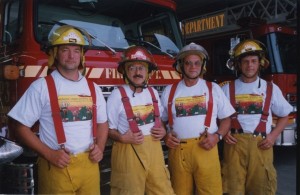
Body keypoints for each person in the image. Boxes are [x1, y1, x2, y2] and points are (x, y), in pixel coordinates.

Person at [8, 25, 108, 194]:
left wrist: (101, 147)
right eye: (65, 50)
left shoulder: (94, 88)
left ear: (82, 55)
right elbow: (20, 127)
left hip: (89, 165)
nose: (71, 56)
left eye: (76, 50)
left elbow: (102, 123)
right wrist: (49, 154)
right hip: (56, 166)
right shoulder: (41, 87)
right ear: (55, 54)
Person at [160, 42, 235, 195]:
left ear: (202, 66)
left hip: (206, 147)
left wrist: (218, 136)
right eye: (188, 63)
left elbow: (226, 119)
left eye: (197, 63)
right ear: (181, 65)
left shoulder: (213, 88)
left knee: (210, 191)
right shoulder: (169, 90)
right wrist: (165, 136)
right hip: (178, 150)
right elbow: (161, 121)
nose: (193, 67)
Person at [221, 39, 293, 195]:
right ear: (239, 65)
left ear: (260, 63)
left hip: (262, 145)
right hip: (234, 146)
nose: (250, 65)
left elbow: (285, 115)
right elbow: (218, 117)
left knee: (261, 189)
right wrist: (224, 133)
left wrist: (273, 136)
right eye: (245, 61)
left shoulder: (271, 88)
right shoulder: (227, 89)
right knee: (232, 189)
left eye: (254, 61)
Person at [107, 46, 175, 195]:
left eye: (141, 68)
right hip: (127, 151)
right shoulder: (116, 95)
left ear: (147, 72)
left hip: (154, 149)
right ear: (125, 71)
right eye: (132, 68)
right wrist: (121, 137)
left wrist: (163, 130)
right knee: (127, 190)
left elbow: (161, 120)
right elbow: (107, 128)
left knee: (162, 189)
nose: (137, 72)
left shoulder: (153, 92)